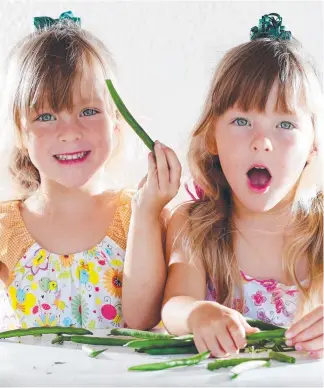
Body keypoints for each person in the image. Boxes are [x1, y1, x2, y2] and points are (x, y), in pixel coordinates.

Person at [0, 11, 181, 331]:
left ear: (116, 121)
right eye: (46, 116)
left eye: (88, 111)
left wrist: (147, 212)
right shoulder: (5, 228)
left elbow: (141, 320)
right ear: (19, 132)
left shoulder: (138, 216)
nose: (70, 132)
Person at [162, 13, 323, 358]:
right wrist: (196, 313)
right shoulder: (193, 225)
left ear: (313, 146)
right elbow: (173, 305)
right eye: (241, 121)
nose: (262, 141)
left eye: (284, 124)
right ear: (211, 138)